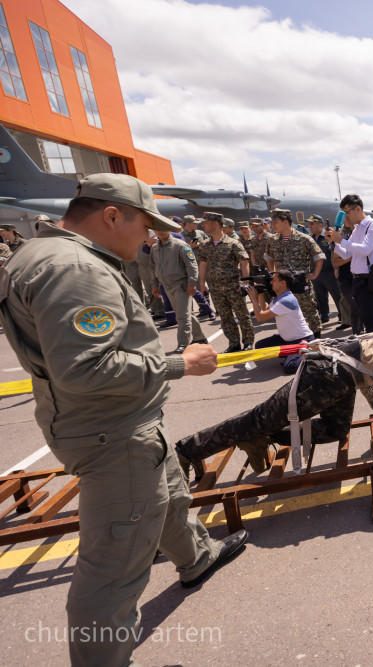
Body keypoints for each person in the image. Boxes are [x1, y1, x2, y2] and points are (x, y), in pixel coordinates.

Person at [0, 174, 247, 666]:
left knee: (170, 494)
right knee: (112, 570)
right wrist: (182, 364)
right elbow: (88, 369)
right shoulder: (76, 270)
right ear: (112, 216)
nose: (150, 237)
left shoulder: (39, 254)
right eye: (145, 225)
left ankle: (197, 556)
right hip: (114, 433)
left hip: (113, 422)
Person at [174, 322, 373, 473]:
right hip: (328, 372)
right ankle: (188, 449)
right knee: (259, 416)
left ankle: (261, 436)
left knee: (335, 430)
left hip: (342, 372)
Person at [327, 194, 373, 333]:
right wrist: (333, 242)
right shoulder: (358, 228)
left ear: (358, 209)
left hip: (370, 280)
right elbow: (348, 253)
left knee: (372, 323)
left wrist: (340, 240)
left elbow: (365, 250)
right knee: (366, 320)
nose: (346, 216)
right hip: (358, 280)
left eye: (347, 212)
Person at [199, 211, 255, 353]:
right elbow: (203, 264)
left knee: (242, 315)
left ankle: (248, 342)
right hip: (216, 287)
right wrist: (201, 284)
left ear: (216, 224)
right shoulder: (205, 245)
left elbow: (244, 262)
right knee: (225, 317)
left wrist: (245, 283)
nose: (202, 225)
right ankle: (233, 343)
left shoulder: (233, 243)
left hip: (233, 286)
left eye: (205, 222)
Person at [264, 209, 325, 337]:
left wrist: (314, 274)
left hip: (301, 285)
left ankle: (316, 342)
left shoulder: (304, 239)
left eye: (275, 222)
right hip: (282, 287)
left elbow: (319, 256)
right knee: (286, 317)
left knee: (310, 314)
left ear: (286, 222)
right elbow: (269, 259)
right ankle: (294, 344)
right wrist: (272, 274)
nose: (273, 225)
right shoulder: (272, 240)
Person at [151, 228, 208, 354]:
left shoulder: (181, 246)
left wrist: (192, 283)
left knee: (182, 316)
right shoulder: (154, 248)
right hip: (166, 286)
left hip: (181, 285)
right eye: (157, 229)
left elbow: (191, 265)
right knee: (184, 313)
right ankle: (200, 337)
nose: (160, 231)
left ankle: (183, 344)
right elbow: (153, 267)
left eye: (163, 228)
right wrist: (154, 285)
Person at [307, 214, 345, 327]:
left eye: (312, 223)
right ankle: (324, 315)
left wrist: (336, 269)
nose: (310, 226)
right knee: (320, 296)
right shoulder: (310, 238)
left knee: (337, 295)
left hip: (330, 272)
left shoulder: (328, 236)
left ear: (320, 225)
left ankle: (342, 316)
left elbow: (336, 253)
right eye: (309, 224)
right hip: (316, 273)